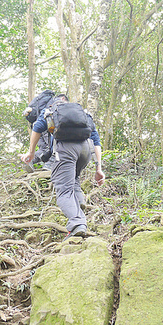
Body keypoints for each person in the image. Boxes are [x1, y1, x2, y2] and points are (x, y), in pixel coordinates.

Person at [20, 94, 105, 239]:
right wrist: (99, 168)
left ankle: (77, 223)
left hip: (65, 150)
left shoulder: (50, 111)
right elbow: (96, 141)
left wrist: (31, 152)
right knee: (74, 179)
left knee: (63, 191)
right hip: (86, 150)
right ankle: (78, 203)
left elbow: (37, 128)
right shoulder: (82, 113)